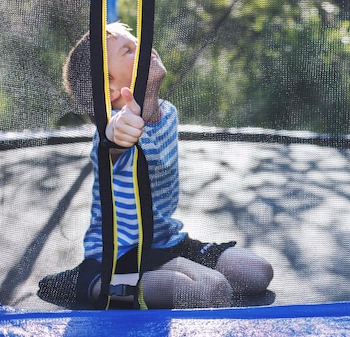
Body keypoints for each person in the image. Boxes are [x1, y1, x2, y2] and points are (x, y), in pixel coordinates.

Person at [38, 23, 273, 309]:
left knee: (258, 273)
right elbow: (111, 141)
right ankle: (89, 282)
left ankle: (164, 270)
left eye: (138, 43)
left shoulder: (168, 113)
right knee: (213, 290)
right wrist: (116, 134)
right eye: (128, 50)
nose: (143, 48)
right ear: (111, 87)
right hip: (120, 254)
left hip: (166, 240)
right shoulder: (113, 127)